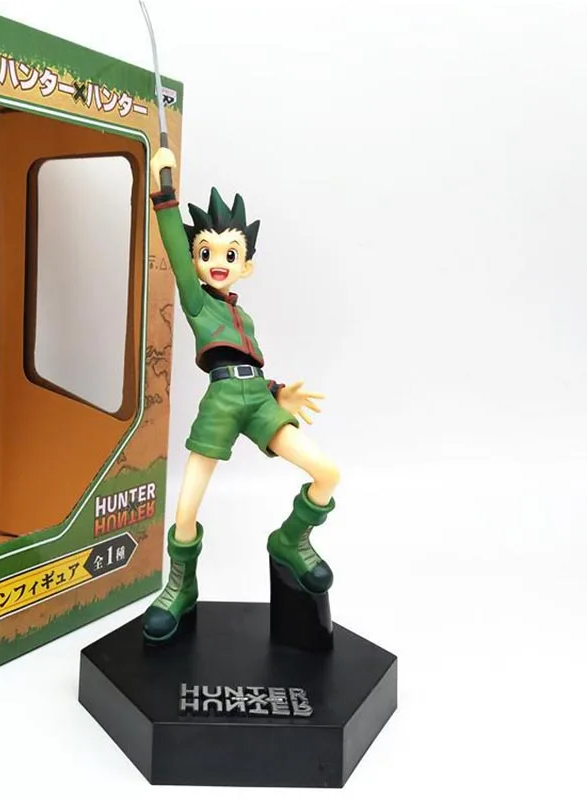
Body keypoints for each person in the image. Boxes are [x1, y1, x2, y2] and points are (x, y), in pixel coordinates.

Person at [144, 147, 341, 642]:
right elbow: (175, 252)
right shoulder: (196, 301)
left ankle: (291, 540)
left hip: (258, 399)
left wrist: (276, 392)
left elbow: (248, 363)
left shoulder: (243, 318)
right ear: (195, 261)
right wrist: (164, 192)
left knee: (327, 473)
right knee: (186, 508)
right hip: (221, 402)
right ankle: (181, 585)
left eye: (230, 254)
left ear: (245, 266)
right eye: (206, 253)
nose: (218, 263)